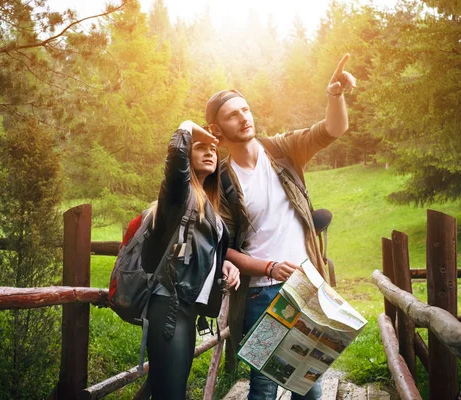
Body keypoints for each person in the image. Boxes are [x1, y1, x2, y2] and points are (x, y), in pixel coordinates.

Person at [205, 54, 356, 400]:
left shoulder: (283, 150)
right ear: (217, 129)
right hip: (261, 293)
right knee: (263, 385)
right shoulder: (222, 180)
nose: (243, 118)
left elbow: (332, 130)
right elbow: (221, 247)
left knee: (309, 384)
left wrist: (334, 96)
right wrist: (268, 266)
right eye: (233, 115)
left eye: (245, 110)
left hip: (306, 285)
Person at [121, 120, 241, 399]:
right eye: (201, 148)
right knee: (171, 394)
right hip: (169, 308)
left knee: (163, 389)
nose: (210, 152)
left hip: (186, 311)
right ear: (188, 155)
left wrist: (223, 262)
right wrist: (188, 127)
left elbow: (186, 252)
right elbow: (175, 158)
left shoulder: (206, 206)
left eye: (214, 149)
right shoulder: (180, 196)